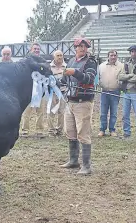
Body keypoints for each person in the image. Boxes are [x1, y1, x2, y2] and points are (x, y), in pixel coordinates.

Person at [60, 38, 97, 175]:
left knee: (83, 133)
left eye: (85, 46)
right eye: (80, 46)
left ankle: (87, 166)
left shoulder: (91, 62)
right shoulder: (70, 61)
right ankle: (73, 160)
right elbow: (65, 80)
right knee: (70, 131)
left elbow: (89, 78)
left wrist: (74, 72)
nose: (82, 48)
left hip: (83, 102)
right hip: (70, 101)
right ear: (75, 48)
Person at [119, 45, 136, 139]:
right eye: (132, 52)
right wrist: (131, 75)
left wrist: (126, 78)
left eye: (135, 52)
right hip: (126, 92)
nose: (133, 53)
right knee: (125, 114)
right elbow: (120, 76)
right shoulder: (126, 64)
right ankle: (126, 132)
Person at [20, 42, 47, 138]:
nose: (36, 50)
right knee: (26, 112)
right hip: (28, 90)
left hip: (40, 90)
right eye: (34, 49)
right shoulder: (25, 61)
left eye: (38, 49)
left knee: (40, 112)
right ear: (30, 50)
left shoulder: (43, 61)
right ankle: (24, 131)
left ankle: (39, 131)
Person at [98, 50, 123, 137]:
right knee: (103, 112)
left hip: (115, 91)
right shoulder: (101, 66)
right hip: (104, 91)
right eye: (111, 55)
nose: (113, 57)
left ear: (117, 56)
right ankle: (102, 129)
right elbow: (98, 77)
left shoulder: (121, 66)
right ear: (108, 56)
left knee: (114, 112)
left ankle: (112, 130)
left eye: (114, 55)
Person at [47, 50, 67, 136]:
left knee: (61, 112)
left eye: (61, 55)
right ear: (54, 57)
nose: (60, 57)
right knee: (50, 112)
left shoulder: (66, 66)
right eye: (58, 55)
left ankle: (60, 130)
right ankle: (51, 130)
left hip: (63, 92)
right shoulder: (49, 67)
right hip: (52, 92)